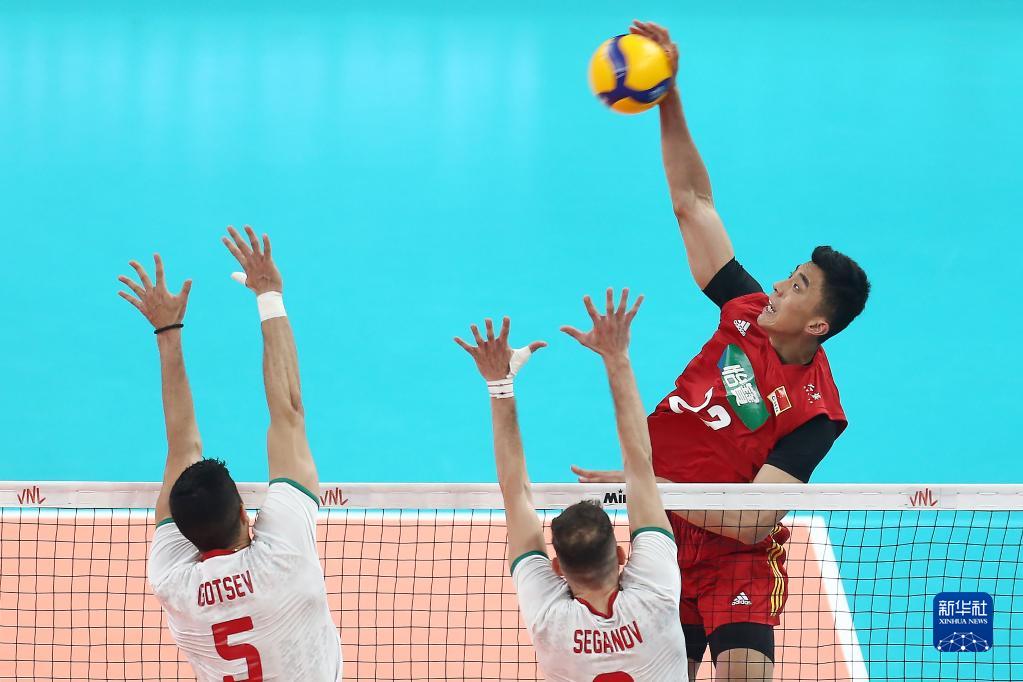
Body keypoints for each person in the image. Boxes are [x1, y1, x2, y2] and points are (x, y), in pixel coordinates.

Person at [573, 21, 872, 682]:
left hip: (733, 555)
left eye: (796, 288)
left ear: (818, 325)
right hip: (660, 538)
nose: (776, 287)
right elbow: (692, 203)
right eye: (788, 275)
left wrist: (644, 485)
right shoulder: (742, 309)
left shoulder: (817, 415)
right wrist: (668, 95)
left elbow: (749, 522)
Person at [119, 226, 342, 681]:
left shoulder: (173, 582)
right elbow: (289, 412)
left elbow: (183, 448)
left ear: (183, 533)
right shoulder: (282, 558)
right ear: (244, 511)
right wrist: (269, 294)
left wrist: (167, 332)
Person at [455, 289, 688, 681]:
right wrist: (616, 356)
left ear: (557, 567)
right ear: (621, 554)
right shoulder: (656, 595)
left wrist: (500, 383)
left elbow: (515, 493)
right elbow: (639, 465)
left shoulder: (549, 618)